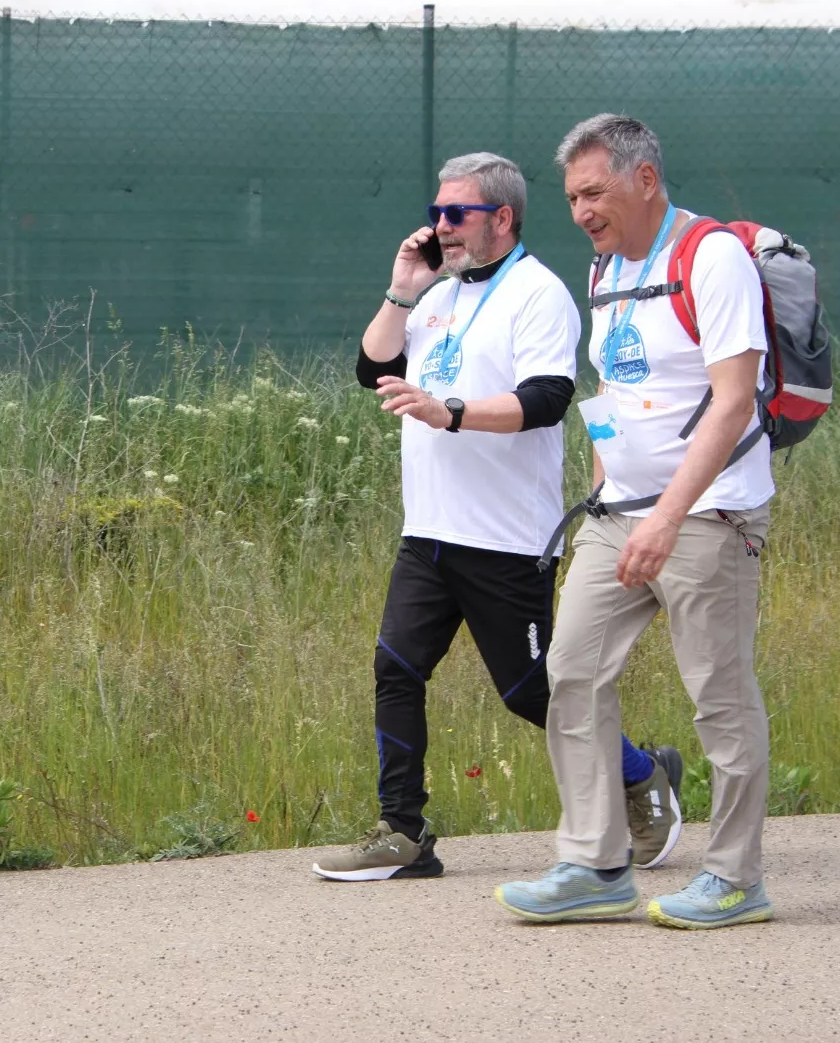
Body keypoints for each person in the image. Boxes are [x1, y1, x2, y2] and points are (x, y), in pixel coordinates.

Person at [312, 152, 683, 883]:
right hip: (430, 534)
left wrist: (446, 412)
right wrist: (399, 290)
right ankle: (404, 833)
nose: (440, 228)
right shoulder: (437, 294)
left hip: (508, 536)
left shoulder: (537, 294)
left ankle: (643, 775)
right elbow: (370, 368)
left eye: (457, 215)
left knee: (531, 693)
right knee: (396, 667)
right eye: (436, 214)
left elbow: (546, 398)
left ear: (502, 218)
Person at [496, 115, 776, 928]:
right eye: (573, 196)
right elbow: (613, 401)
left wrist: (668, 515)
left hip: (709, 516)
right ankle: (595, 864)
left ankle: (735, 878)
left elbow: (732, 403)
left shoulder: (711, 257)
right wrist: (602, 498)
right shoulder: (604, 265)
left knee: (719, 698)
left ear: (644, 178)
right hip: (617, 515)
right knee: (571, 674)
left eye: (595, 191)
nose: (581, 209)